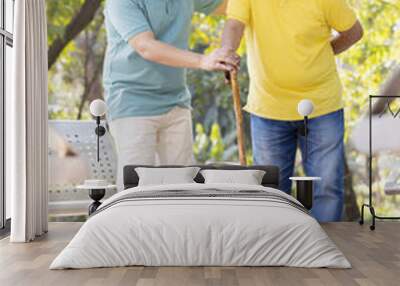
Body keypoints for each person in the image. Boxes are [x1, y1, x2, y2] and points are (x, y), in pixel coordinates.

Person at [220, 0, 363, 221]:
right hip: (269, 109)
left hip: (321, 106)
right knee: (271, 191)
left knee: (326, 189)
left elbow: (353, 31)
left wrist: (322, 54)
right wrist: (227, 51)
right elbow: (234, 24)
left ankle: (321, 250)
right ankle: (279, 252)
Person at [103, 0, 239, 190]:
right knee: (135, 187)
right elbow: (146, 46)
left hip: (175, 101)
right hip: (132, 101)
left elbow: (233, 5)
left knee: (184, 184)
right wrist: (203, 60)